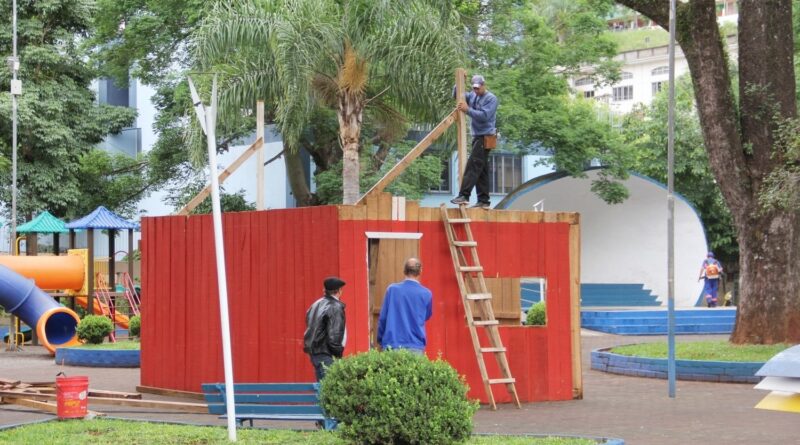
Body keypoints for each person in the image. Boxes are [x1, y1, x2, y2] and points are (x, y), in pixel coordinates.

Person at [450, 74, 498, 209]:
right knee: (481, 169)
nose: (476, 90)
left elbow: (484, 116)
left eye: (478, 88)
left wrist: (467, 110)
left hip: (486, 136)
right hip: (477, 136)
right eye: (474, 88)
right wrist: (460, 82)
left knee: (473, 165)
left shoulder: (491, 99)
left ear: (484, 85)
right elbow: (457, 95)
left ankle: (464, 195)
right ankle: (483, 200)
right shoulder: (472, 95)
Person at [377, 258, 433, 353]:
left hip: (392, 345)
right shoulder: (427, 293)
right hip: (415, 346)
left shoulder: (392, 290)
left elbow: (383, 318)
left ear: (404, 271)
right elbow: (426, 316)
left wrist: (380, 339)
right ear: (420, 271)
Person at [303, 277, 347, 381]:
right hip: (328, 354)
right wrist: (338, 356)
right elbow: (334, 337)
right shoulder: (335, 307)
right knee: (329, 392)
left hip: (315, 353)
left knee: (321, 390)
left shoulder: (316, 304)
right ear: (339, 291)